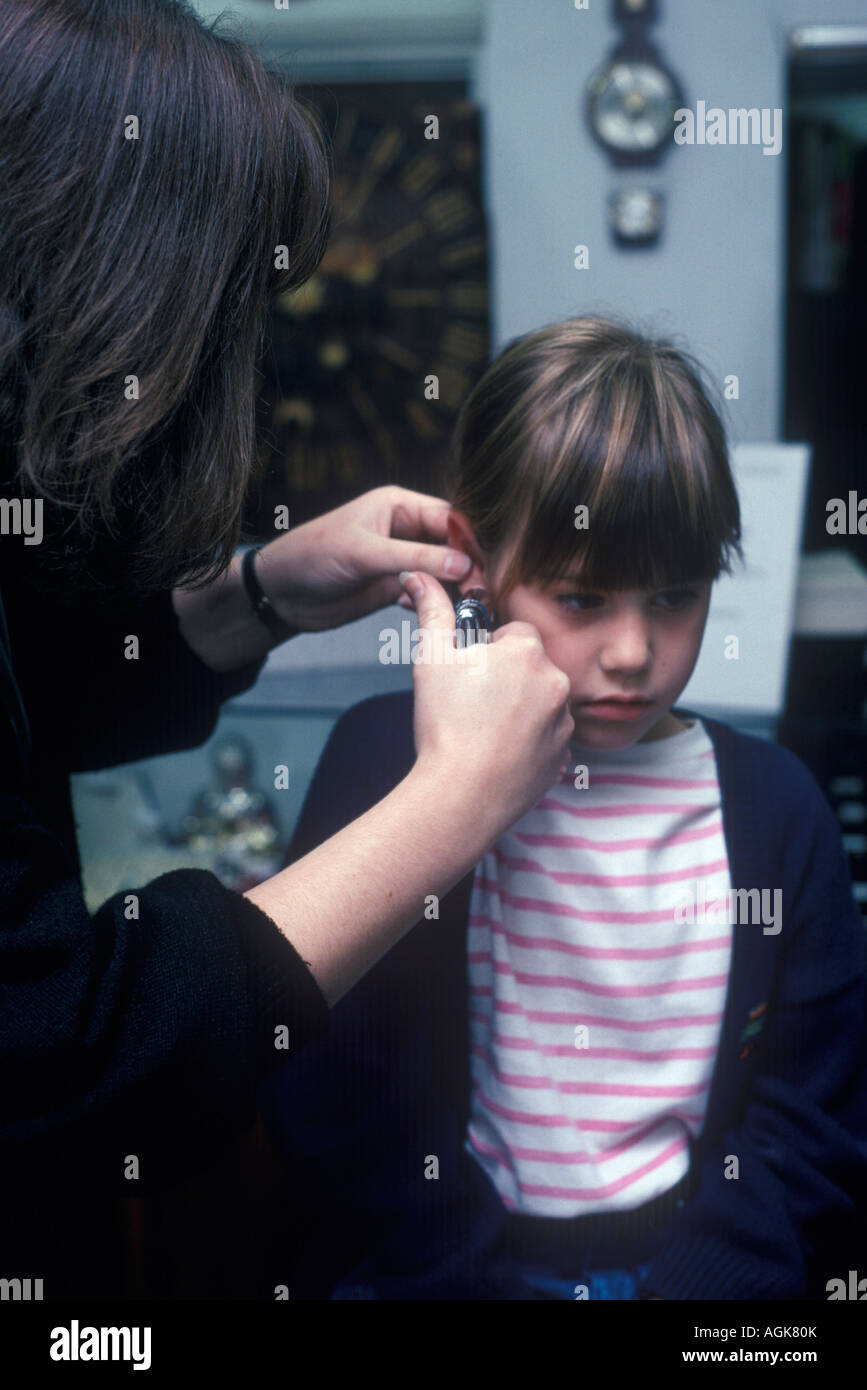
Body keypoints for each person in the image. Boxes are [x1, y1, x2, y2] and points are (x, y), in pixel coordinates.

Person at [0, 1, 574, 1296]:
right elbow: (68, 1052)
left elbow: (29, 693)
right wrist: (449, 804)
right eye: (228, 317)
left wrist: (254, 593)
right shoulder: (389, 758)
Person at [261, 316, 867, 1300]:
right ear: (478, 558)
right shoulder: (387, 760)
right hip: (438, 1274)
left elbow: (812, 1114)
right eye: (583, 600)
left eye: (675, 597)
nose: (632, 652)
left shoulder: (778, 810)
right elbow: (337, 1095)